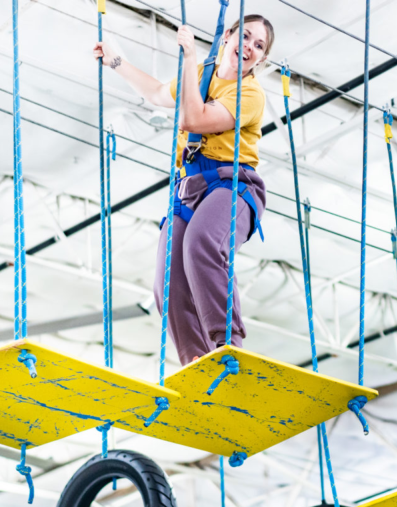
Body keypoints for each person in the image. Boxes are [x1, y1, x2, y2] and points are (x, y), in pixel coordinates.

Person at [93, 15, 275, 365]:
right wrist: (117, 62)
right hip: (189, 188)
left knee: (201, 244)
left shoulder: (250, 94)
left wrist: (190, 57)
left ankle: (227, 345)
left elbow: (193, 120)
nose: (250, 47)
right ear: (228, 36)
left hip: (232, 186)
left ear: (261, 59)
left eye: (259, 46)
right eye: (246, 37)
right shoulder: (203, 76)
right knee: (167, 279)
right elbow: (161, 93)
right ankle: (194, 359)